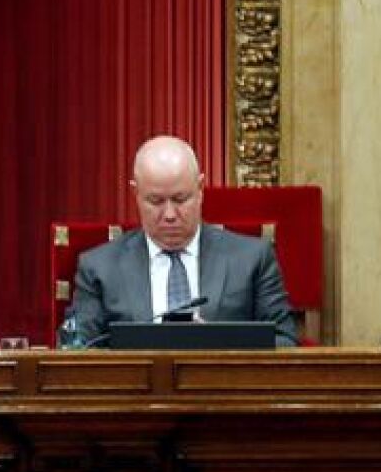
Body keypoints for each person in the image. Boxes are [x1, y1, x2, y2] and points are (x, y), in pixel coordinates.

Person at [68, 134, 299, 347]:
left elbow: (285, 341)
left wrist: (215, 345)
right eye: (156, 201)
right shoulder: (99, 268)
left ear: (200, 189)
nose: (169, 214)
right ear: (135, 194)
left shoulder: (251, 259)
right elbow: (78, 350)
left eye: (180, 199)